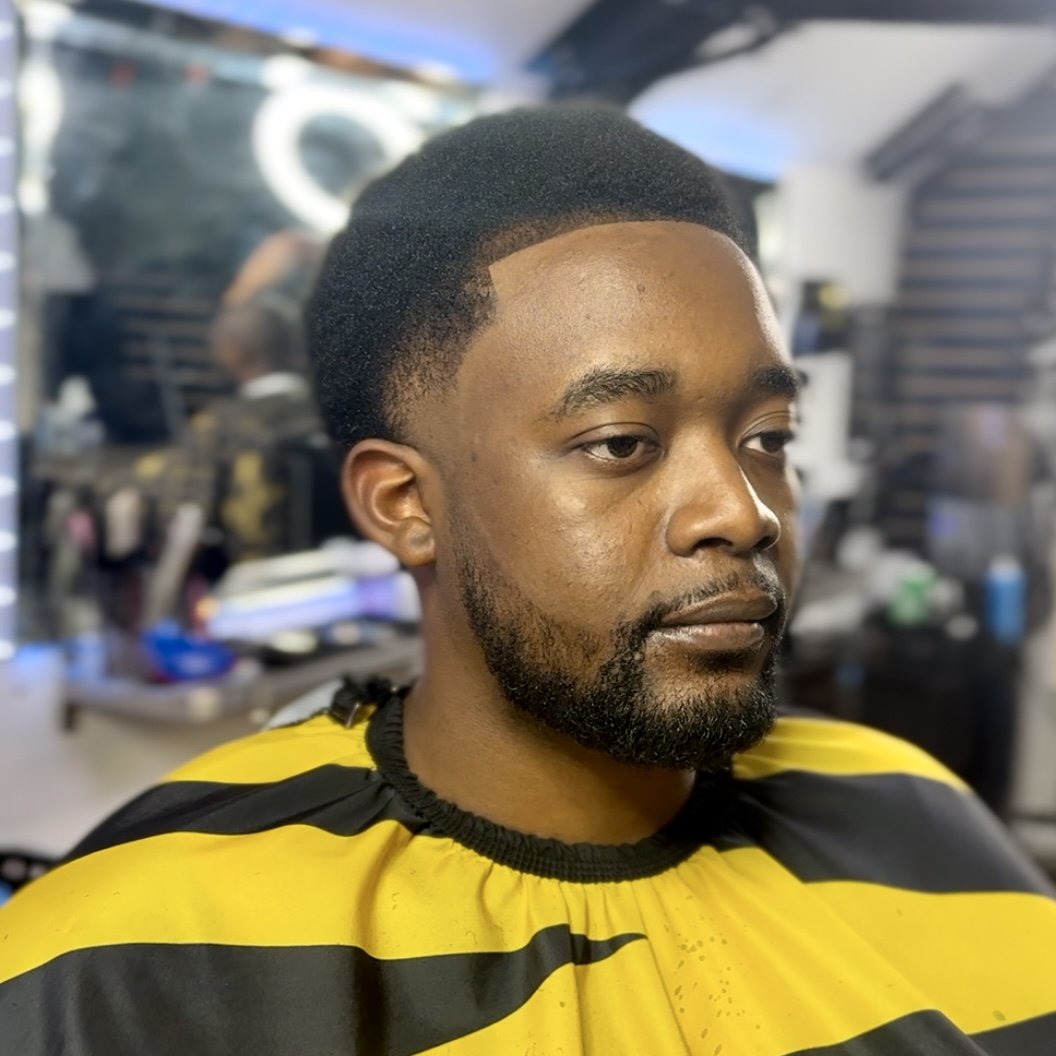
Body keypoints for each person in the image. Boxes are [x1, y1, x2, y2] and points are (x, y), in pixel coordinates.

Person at [3, 106, 1055, 1055]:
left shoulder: (912, 807)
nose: (744, 513)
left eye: (768, 436)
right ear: (404, 504)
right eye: (620, 443)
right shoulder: (138, 960)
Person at [133, 299, 330, 564]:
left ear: (233, 352)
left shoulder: (218, 427)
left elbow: (186, 511)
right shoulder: (326, 408)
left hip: (254, 572)